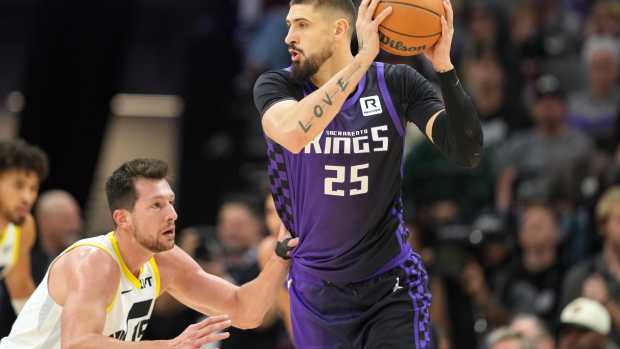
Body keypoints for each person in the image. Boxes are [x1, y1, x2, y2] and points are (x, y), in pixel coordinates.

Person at [252, 0, 482, 347]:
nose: (288, 37)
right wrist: (361, 62)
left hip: (388, 285)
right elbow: (293, 134)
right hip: (316, 292)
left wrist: (445, 69)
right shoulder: (276, 86)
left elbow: (468, 151)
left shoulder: (396, 83)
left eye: (301, 25)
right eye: (289, 25)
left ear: (339, 29)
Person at [0, 158, 298, 348]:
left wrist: (280, 255)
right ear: (123, 218)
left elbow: (245, 312)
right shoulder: (93, 262)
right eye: (157, 205)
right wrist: (168, 347)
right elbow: (78, 343)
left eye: (170, 202)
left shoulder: (164, 261)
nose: (172, 214)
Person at [0, 139, 48, 338]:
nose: (27, 197)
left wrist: (47, 333)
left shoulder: (24, 225)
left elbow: (19, 285)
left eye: (33, 188)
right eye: (19, 185)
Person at [31, 189, 82, 283]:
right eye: (66, 218)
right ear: (45, 222)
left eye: (77, 216)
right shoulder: (25, 267)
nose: (74, 225)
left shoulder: (88, 262)